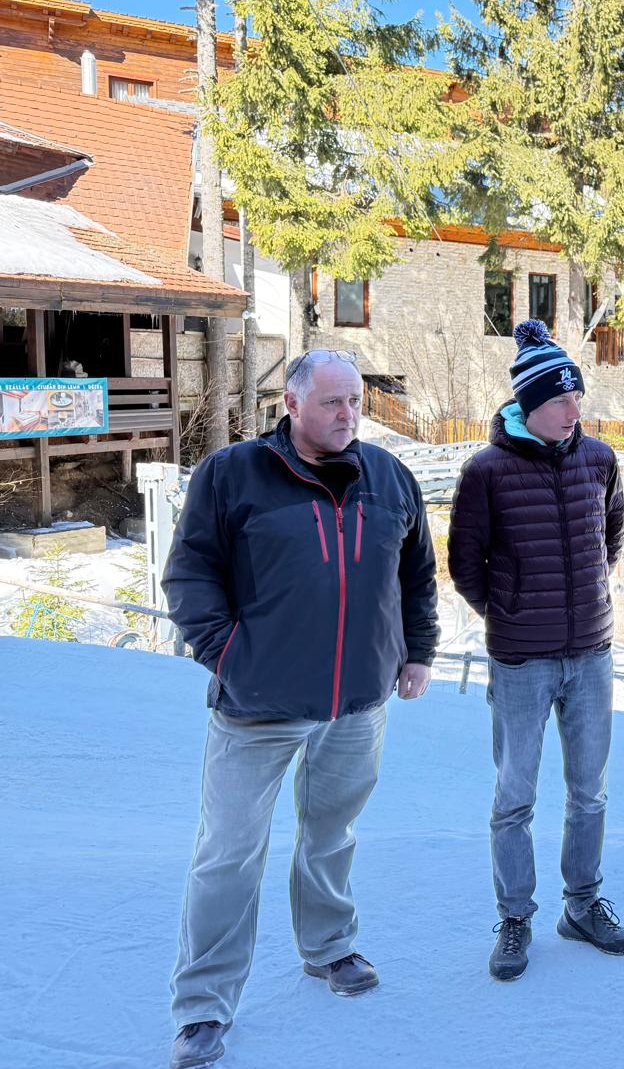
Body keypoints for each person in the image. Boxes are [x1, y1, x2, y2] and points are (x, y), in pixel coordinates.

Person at [163, 348, 439, 1069]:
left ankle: (329, 948)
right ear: (291, 404)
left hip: (357, 702)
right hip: (257, 706)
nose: (347, 415)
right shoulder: (233, 475)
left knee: (331, 833)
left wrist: (416, 651)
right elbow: (190, 570)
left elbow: (417, 572)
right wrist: (226, 654)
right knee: (228, 855)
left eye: (355, 402)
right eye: (331, 403)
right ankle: (203, 1007)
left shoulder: (390, 477)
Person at [448, 319, 624, 983]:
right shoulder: (486, 472)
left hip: (592, 654)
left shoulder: (600, 459)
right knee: (514, 798)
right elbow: (464, 563)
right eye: (561, 400)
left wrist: (592, 595)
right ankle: (517, 917)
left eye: (577, 397)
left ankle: (581, 906)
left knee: (590, 793)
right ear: (530, 404)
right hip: (522, 662)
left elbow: (612, 533)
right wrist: (513, 613)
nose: (574, 410)